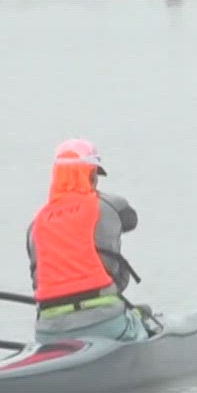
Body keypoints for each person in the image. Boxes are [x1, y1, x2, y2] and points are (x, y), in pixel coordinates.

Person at [27, 139, 149, 343]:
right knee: (144, 314)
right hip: (105, 323)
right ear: (91, 175)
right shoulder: (108, 205)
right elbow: (130, 220)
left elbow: (36, 281)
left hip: (48, 331)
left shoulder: (36, 224)